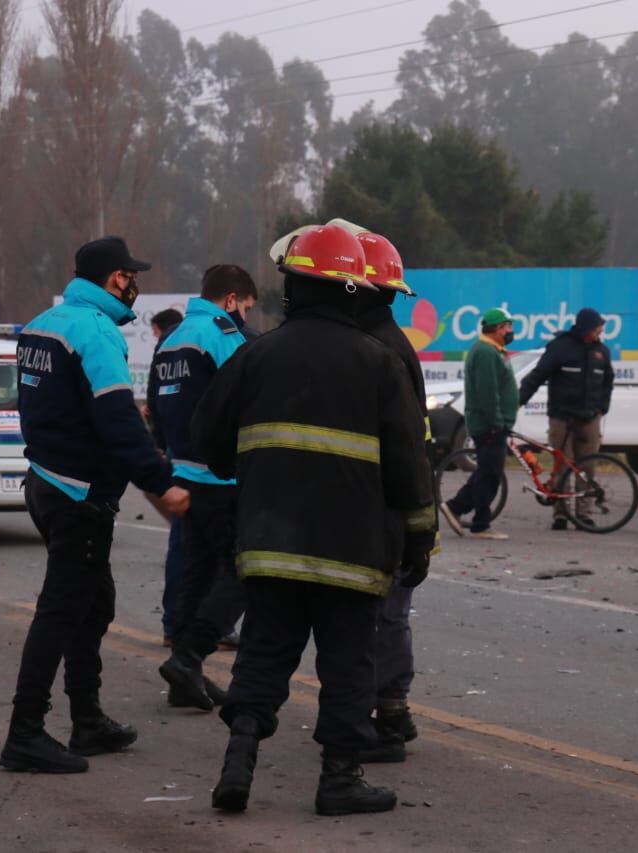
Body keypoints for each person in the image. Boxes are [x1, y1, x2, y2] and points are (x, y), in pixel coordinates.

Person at [194, 223, 435, 816]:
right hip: (352, 553)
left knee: (264, 655)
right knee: (348, 665)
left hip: (270, 545)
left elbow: (208, 441)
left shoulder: (255, 355)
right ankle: (339, 780)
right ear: (352, 289)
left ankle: (238, 765)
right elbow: (410, 465)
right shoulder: (379, 364)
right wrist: (419, 539)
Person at [0, 236, 190, 774]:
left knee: (93, 603)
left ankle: (88, 721)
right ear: (114, 279)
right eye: (131, 275)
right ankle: (25, 732)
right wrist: (161, 480)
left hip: (45, 480)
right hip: (77, 494)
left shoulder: (42, 324)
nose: (135, 284)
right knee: (60, 613)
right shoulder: (97, 332)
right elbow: (116, 418)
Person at [348, 226, 436, 764]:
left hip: (388, 506)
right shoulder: (387, 342)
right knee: (387, 611)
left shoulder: (376, 349)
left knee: (381, 613)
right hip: (400, 503)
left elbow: (403, 445)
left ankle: (388, 711)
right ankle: (390, 708)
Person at [154, 265, 257, 710]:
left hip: (184, 472)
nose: (246, 319)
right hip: (222, 476)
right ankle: (190, 656)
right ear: (231, 299)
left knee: (195, 574)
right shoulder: (221, 334)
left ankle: (185, 677)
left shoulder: (171, 338)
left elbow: (156, 408)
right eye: (247, 309)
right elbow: (248, 398)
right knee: (243, 570)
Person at [517, 307, 614, 530]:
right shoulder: (561, 347)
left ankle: (584, 514)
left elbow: (608, 381)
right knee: (562, 467)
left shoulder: (602, 352)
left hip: (589, 418)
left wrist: (602, 408)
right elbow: (537, 376)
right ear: (586, 328)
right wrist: (519, 400)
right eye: (598, 326)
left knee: (586, 467)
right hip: (562, 418)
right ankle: (560, 515)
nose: (600, 330)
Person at [439, 307, 518, 540]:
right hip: (489, 425)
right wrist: (496, 422)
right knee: (489, 474)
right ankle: (479, 523)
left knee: (488, 473)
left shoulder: (494, 350)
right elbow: (487, 392)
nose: (510, 331)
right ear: (495, 329)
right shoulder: (484, 352)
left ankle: (457, 508)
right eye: (507, 327)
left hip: (495, 424)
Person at [145, 306, 184, 648]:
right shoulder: (209, 339)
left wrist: (159, 443)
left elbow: (154, 400)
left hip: (176, 451)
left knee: (182, 542)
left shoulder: (168, 347)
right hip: (206, 463)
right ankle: (202, 628)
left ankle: (174, 625)